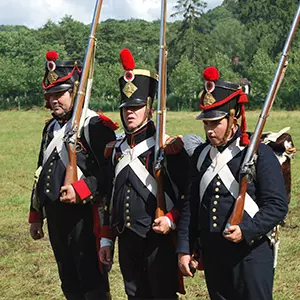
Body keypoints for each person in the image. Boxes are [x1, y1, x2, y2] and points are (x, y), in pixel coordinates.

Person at [177, 66, 288, 300]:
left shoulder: (259, 154)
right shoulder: (201, 156)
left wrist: (247, 229)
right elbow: (191, 207)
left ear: (232, 117)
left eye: (215, 123)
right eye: (206, 123)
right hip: (214, 254)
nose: (209, 130)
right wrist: (184, 249)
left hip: (251, 255)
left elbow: (277, 205)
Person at [99, 48, 190, 299]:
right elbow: (109, 198)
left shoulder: (166, 146)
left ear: (149, 109)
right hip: (127, 240)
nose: (130, 112)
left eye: (137, 107)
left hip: (158, 241)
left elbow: (189, 195)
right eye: (126, 107)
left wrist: (171, 218)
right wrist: (107, 240)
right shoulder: (115, 149)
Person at [28, 51, 117, 300]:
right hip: (56, 217)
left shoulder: (96, 126)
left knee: (91, 280)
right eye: (51, 94)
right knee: (68, 278)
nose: (54, 100)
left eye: (60, 94)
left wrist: (82, 189)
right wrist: (36, 215)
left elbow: (109, 174)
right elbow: (40, 170)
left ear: (75, 92)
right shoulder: (50, 128)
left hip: (85, 217)